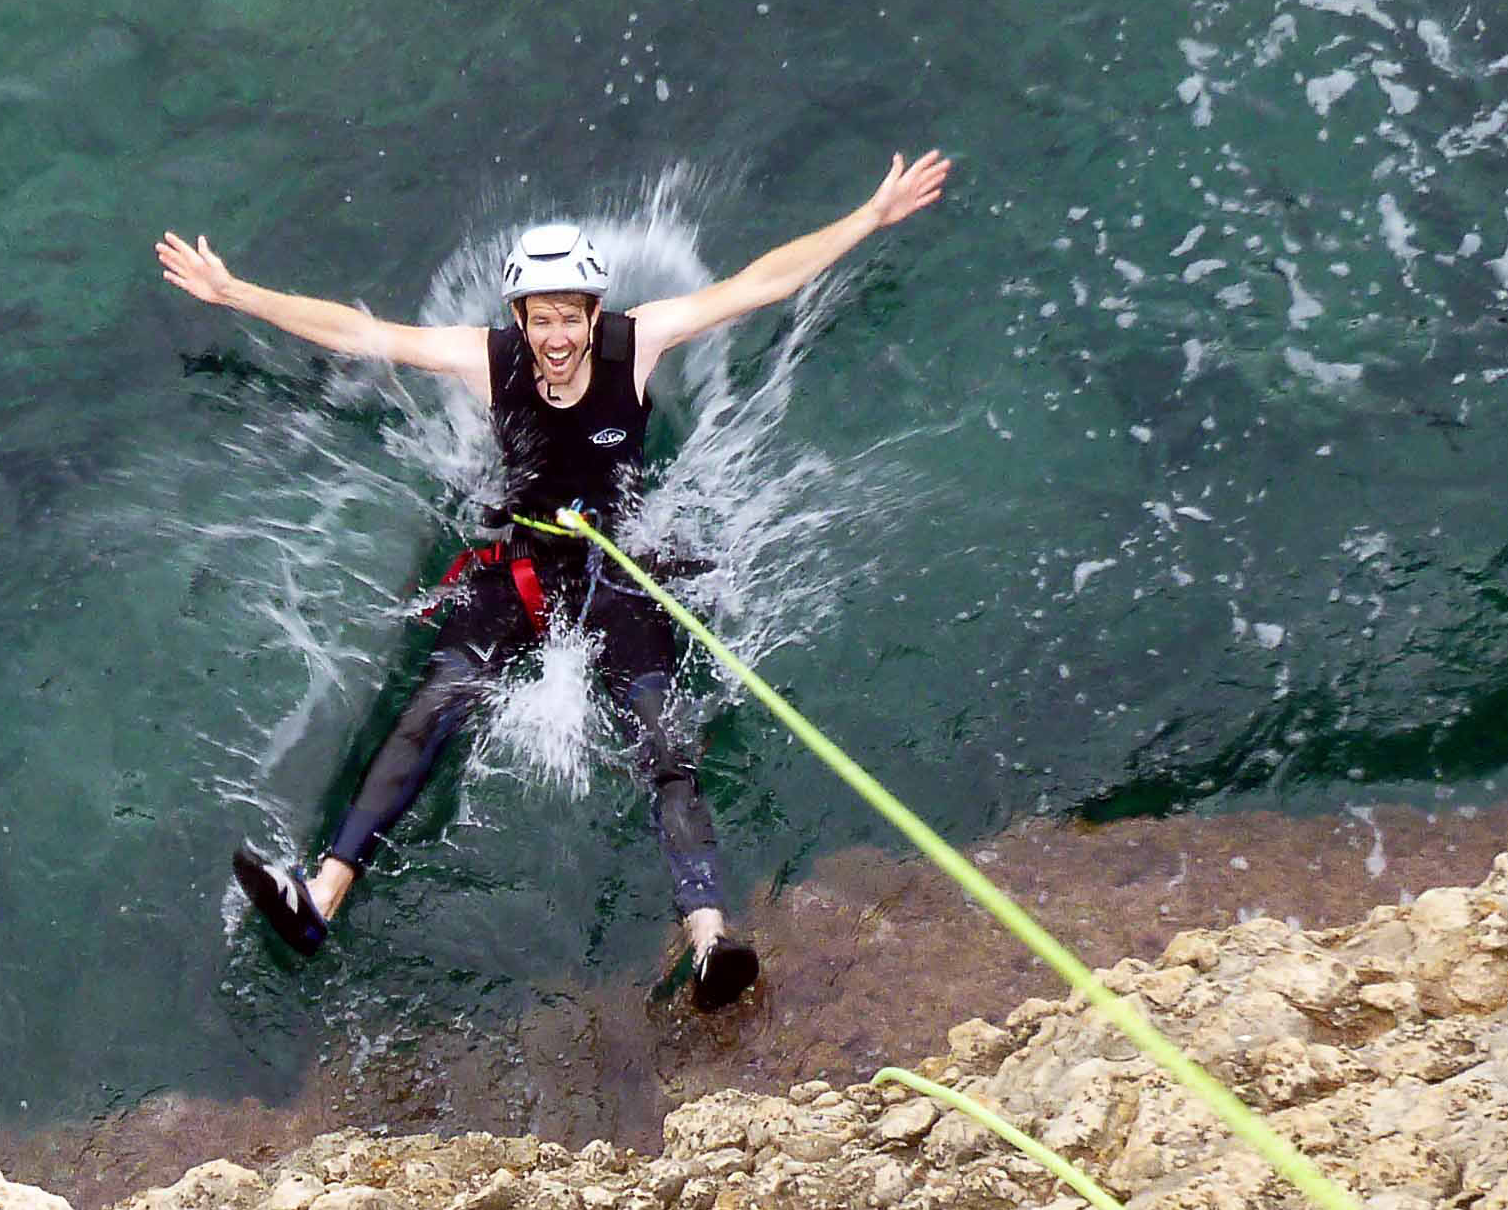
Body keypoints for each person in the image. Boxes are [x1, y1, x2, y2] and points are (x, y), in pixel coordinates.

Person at [156, 148, 951, 1010]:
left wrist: (868, 217)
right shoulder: (486, 359)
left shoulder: (636, 343)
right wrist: (237, 294)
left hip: (617, 563)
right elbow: (362, 333)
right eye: (542, 319)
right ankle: (319, 901)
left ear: (594, 311)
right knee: (430, 709)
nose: (558, 337)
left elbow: (758, 285)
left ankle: (712, 939)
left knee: (663, 740)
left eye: (571, 317)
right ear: (522, 316)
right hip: (523, 565)